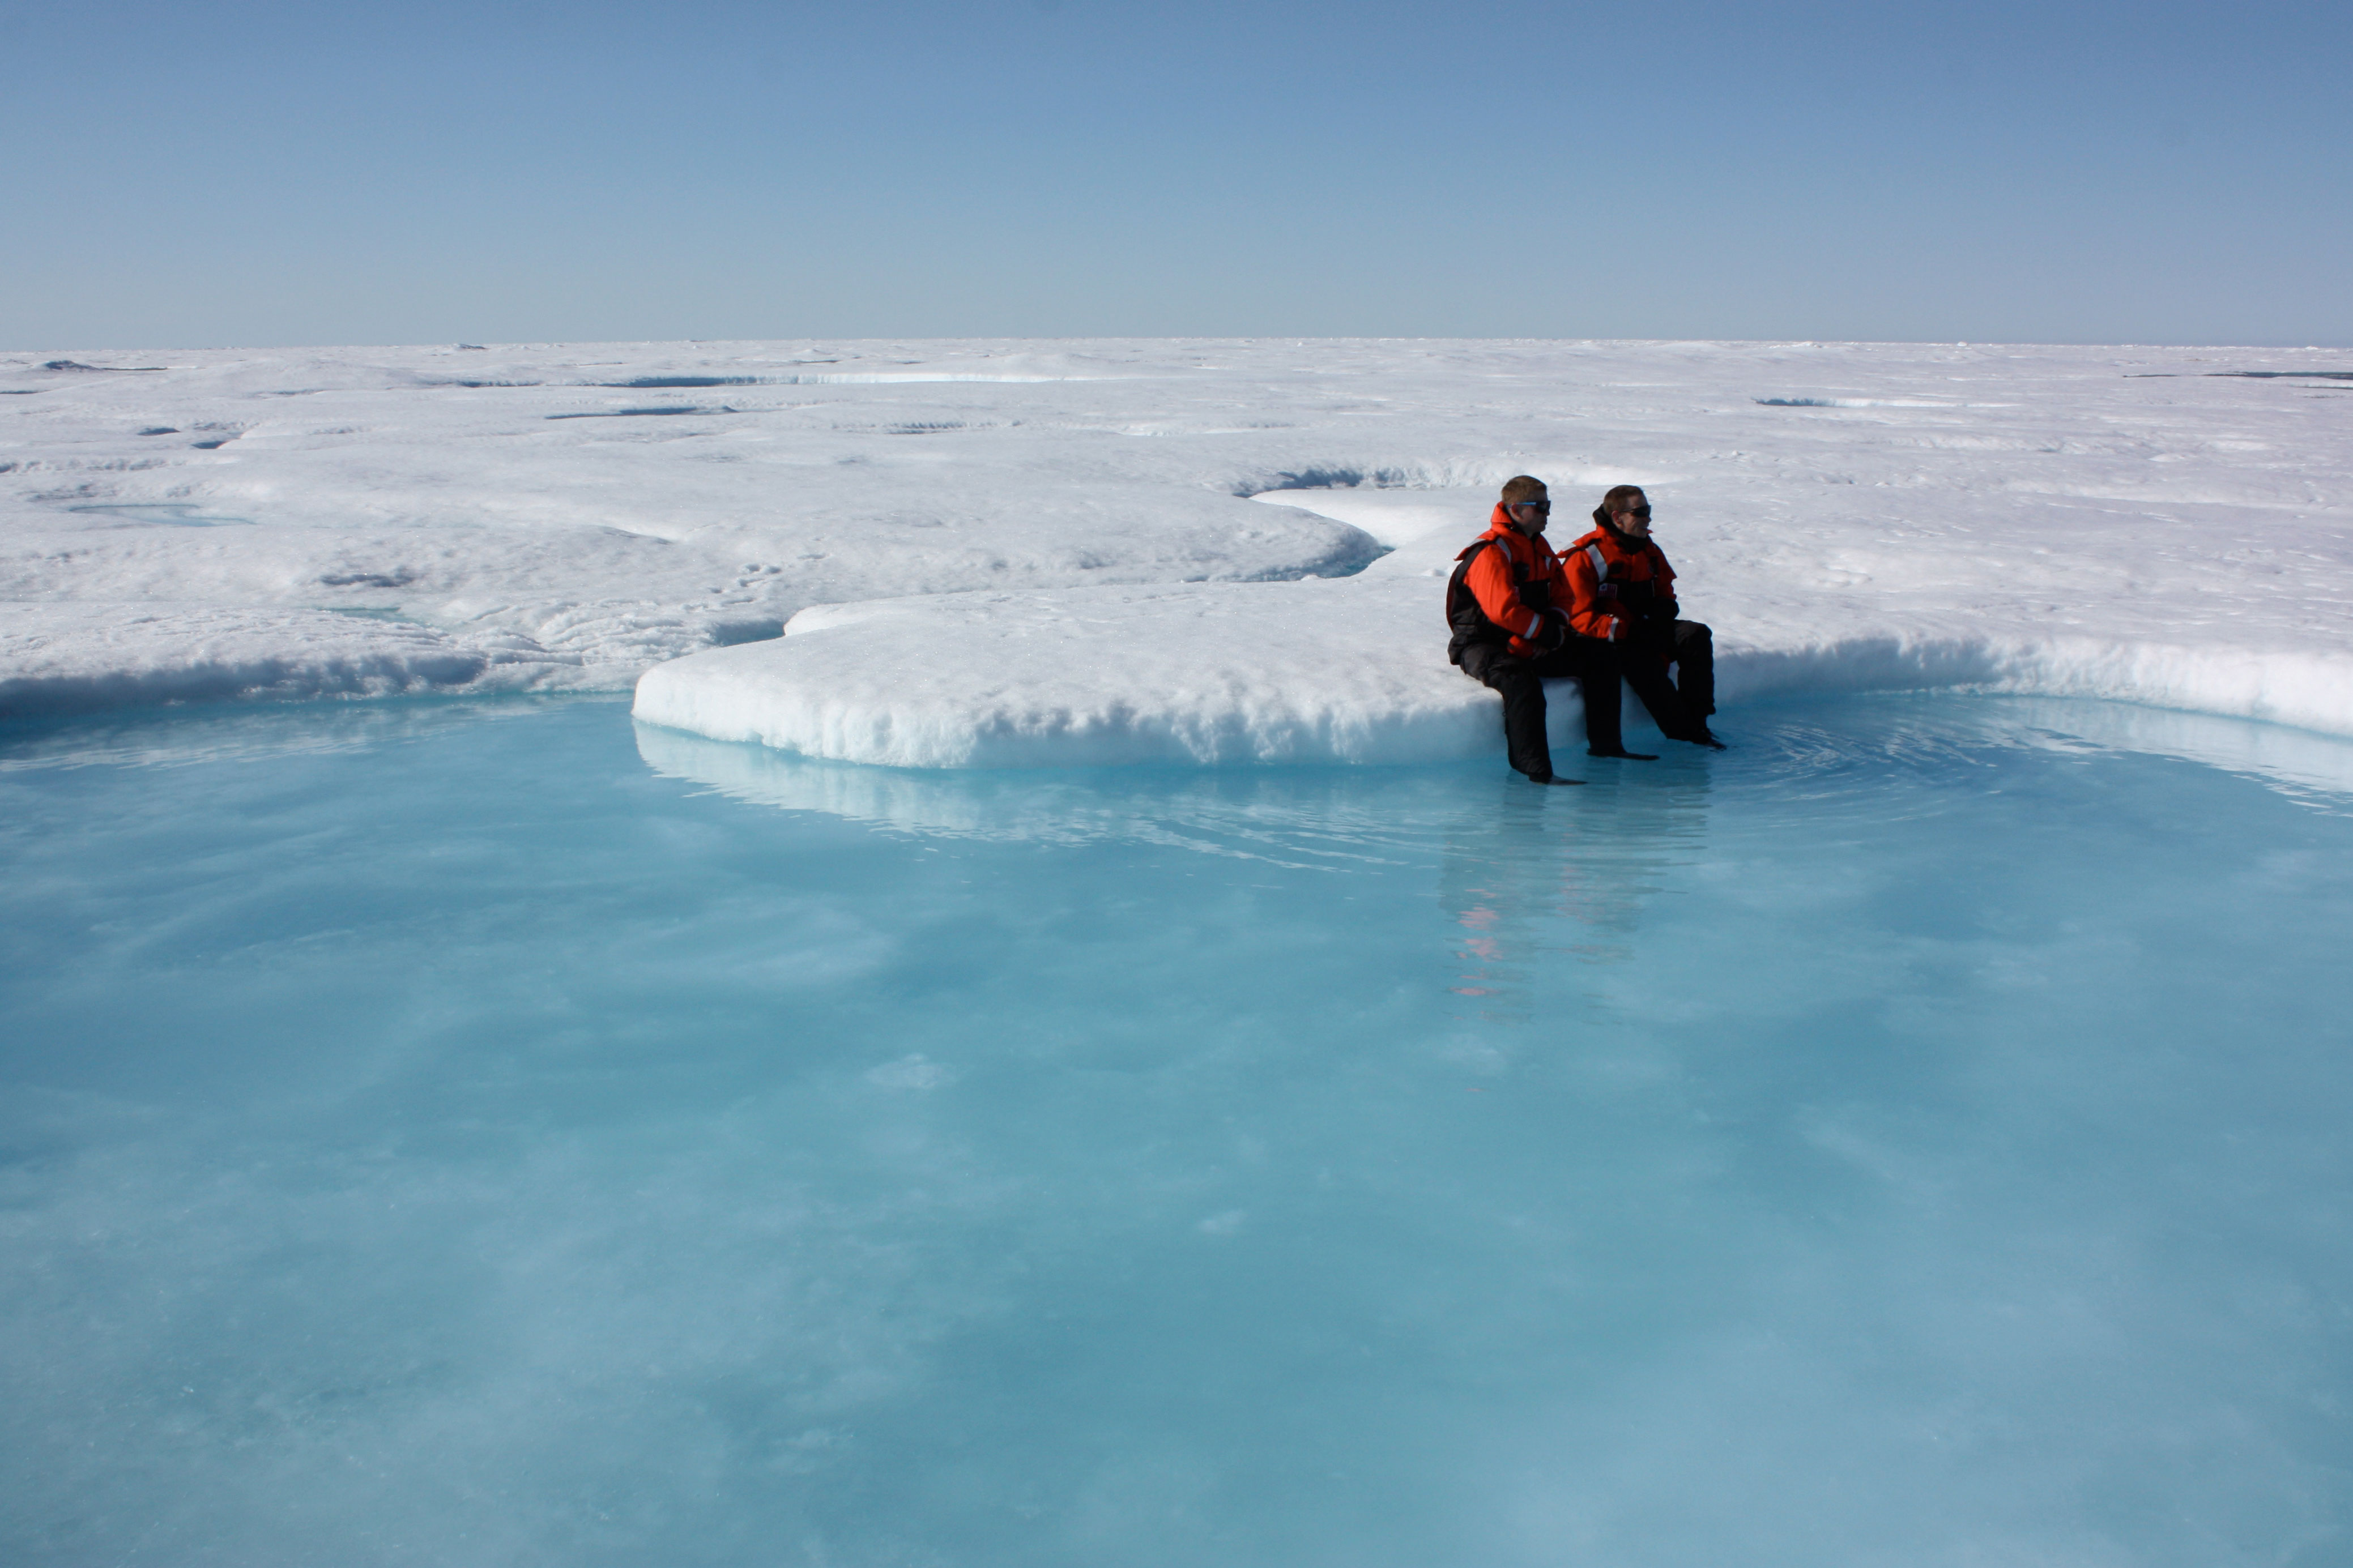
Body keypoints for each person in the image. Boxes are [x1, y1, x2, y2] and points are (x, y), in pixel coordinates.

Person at [1446, 475, 1655, 784]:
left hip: (1532, 637)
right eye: (1540, 507)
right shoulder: (1492, 552)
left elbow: (1563, 595)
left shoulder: (1539, 546)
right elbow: (1502, 610)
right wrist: (1544, 633)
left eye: (1549, 506)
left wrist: (1555, 629)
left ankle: (1607, 746)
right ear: (1517, 510)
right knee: (1521, 682)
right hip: (1481, 644)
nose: (1547, 514)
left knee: (1601, 656)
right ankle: (1535, 771)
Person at [1560, 486, 1724, 748]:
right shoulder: (1586, 556)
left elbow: (1665, 589)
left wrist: (1665, 608)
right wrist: (1628, 631)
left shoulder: (1649, 550)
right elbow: (1578, 617)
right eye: (1641, 512)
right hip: (1607, 637)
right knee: (1640, 659)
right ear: (1617, 517)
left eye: (1649, 511)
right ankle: (1683, 733)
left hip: (1645, 627)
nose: (1648, 518)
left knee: (1695, 634)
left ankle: (1698, 719)